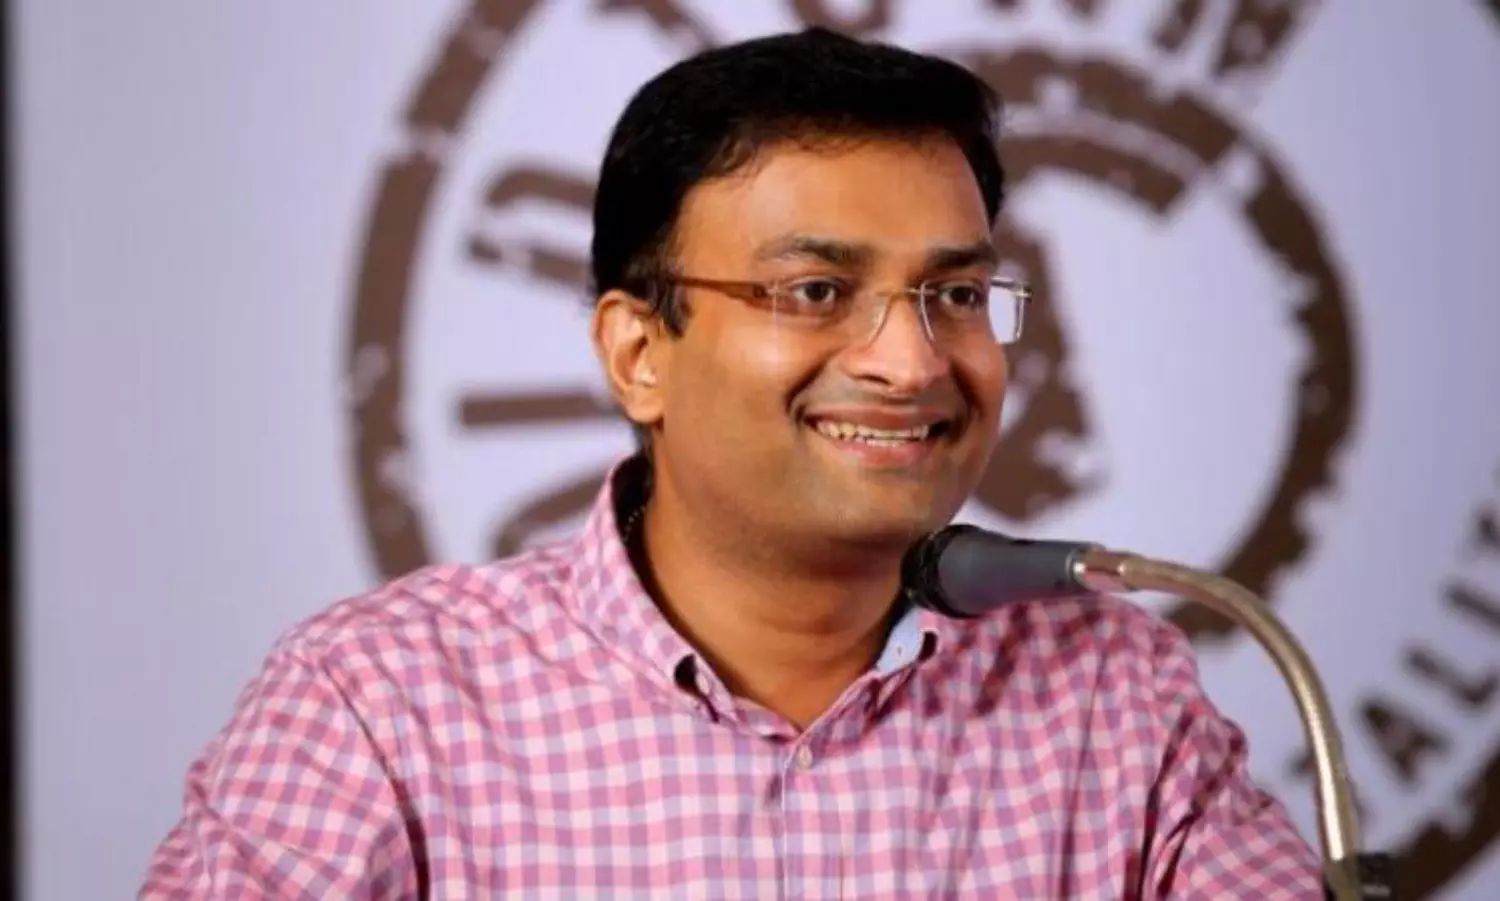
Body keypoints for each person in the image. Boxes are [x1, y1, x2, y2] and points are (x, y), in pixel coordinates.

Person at [140, 27, 1325, 899]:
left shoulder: (1113, 690)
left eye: (957, 294)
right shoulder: (381, 704)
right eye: (816, 291)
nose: (911, 361)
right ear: (638, 352)